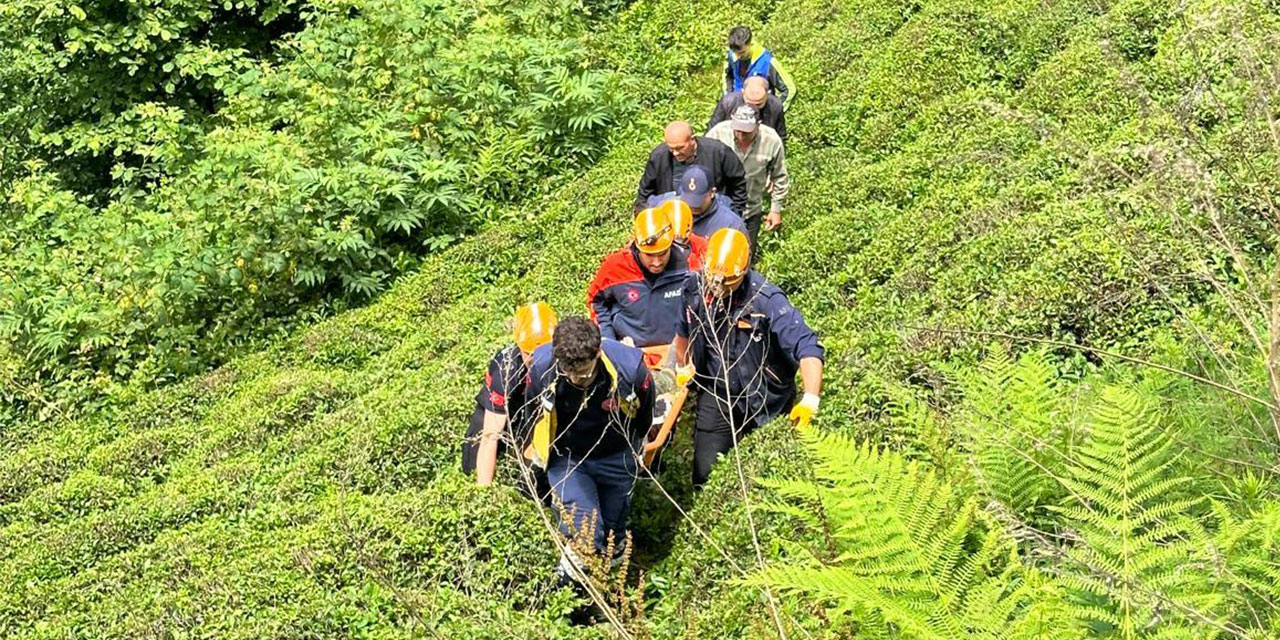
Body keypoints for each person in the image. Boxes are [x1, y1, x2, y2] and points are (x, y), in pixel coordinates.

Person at [674, 228, 824, 488]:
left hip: (765, 394)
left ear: (744, 271)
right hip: (718, 391)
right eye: (713, 277)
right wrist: (684, 365)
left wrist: (810, 399)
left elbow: (807, 346)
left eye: (727, 280)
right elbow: (683, 330)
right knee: (705, 474)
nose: (718, 286)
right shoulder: (693, 289)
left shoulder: (766, 300)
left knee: (770, 475)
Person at [525, 316, 657, 580]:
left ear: (598, 352)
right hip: (567, 457)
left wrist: (636, 445)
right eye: (569, 372)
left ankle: (608, 587)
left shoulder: (630, 368)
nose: (576, 379)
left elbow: (646, 410)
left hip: (616, 453)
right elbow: (532, 412)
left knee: (613, 533)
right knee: (586, 531)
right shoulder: (542, 368)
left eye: (583, 373)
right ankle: (564, 590)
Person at [463, 302, 558, 498]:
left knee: (534, 476)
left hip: (538, 411)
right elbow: (491, 436)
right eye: (529, 354)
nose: (537, 359)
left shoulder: (566, 357)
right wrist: (484, 495)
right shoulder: (505, 370)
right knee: (474, 467)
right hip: (500, 410)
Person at [587, 207, 699, 366]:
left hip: (678, 354)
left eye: (662, 254)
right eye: (649, 255)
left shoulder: (689, 266)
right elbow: (596, 301)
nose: (657, 262)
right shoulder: (615, 267)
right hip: (631, 354)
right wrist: (609, 341)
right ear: (637, 247)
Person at [706, 105, 789, 250]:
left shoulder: (771, 140)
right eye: (737, 130)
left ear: (758, 124)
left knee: (745, 256)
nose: (741, 135)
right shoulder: (718, 133)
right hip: (718, 209)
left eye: (746, 132)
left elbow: (780, 176)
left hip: (751, 210)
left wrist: (775, 209)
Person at [635, 121, 748, 216]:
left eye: (680, 148)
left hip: (709, 216)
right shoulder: (659, 156)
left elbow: (738, 184)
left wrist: (734, 214)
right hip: (672, 217)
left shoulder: (718, 152)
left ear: (692, 140)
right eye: (671, 148)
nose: (675, 153)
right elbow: (645, 193)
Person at [646, 165, 748, 242]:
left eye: (697, 201)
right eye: (688, 199)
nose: (692, 206)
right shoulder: (665, 208)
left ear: (712, 192)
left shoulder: (731, 224)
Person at [723, 25, 795, 111]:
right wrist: (728, 97)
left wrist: (775, 113)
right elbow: (728, 76)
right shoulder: (732, 55)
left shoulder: (767, 61)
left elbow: (790, 90)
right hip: (736, 111)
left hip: (761, 113)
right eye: (735, 53)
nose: (738, 56)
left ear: (750, 44)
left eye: (742, 52)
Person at [707, 76, 787, 142]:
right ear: (742, 92)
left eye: (758, 104)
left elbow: (780, 137)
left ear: (767, 94)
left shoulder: (775, 106)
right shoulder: (727, 102)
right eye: (749, 103)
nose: (753, 109)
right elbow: (712, 131)